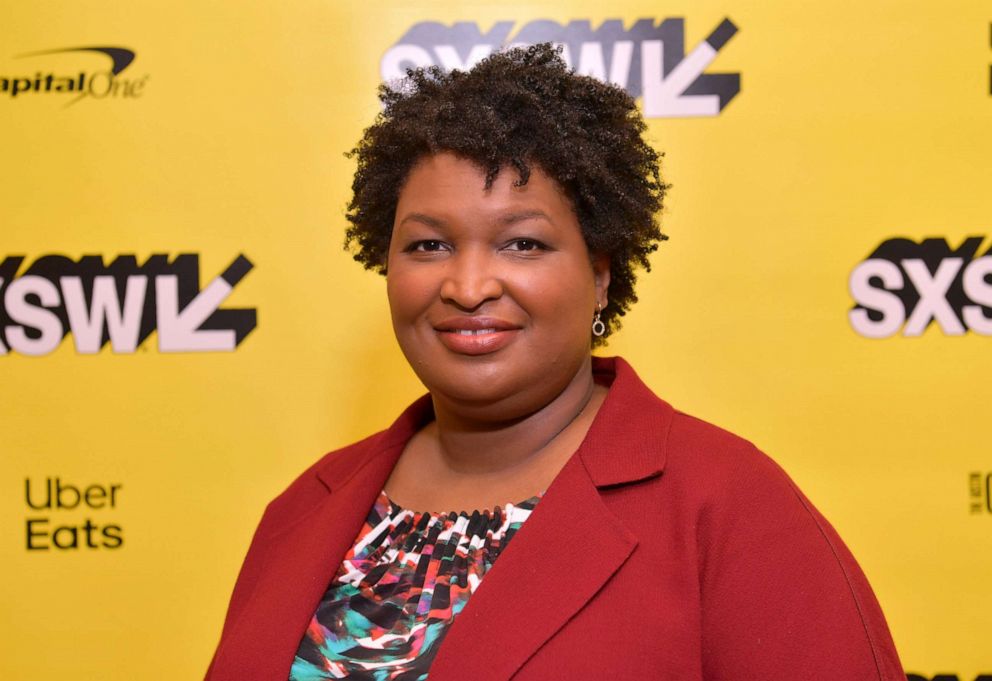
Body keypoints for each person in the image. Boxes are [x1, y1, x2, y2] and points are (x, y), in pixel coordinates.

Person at [206, 44, 905, 680]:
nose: (468, 285)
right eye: (427, 246)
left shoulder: (730, 508)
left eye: (524, 244)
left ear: (600, 273)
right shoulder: (307, 508)